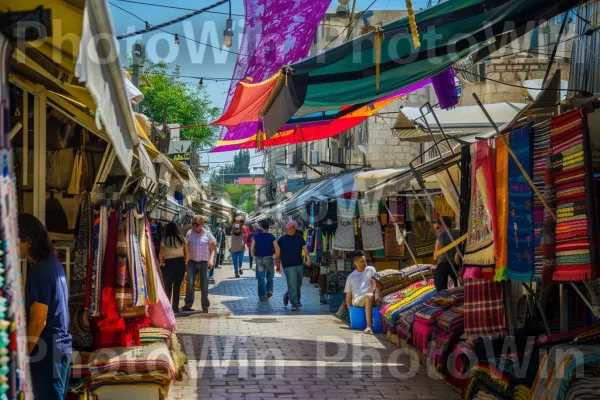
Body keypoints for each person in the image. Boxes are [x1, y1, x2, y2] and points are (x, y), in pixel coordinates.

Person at [19, 213, 72, 399]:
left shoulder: (41, 269)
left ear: (28, 240)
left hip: (47, 352)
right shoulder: (53, 264)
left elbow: (38, 320)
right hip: (58, 349)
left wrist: (22, 357)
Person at [182, 215, 216, 312]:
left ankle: (205, 305)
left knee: (204, 284)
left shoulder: (208, 234)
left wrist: (211, 260)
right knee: (190, 283)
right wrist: (185, 260)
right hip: (191, 262)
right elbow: (186, 246)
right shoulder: (189, 233)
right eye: (193, 224)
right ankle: (188, 304)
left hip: (204, 262)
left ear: (201, 224)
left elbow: (212, 249)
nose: (194, 226)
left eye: (196, 224)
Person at [277, 221, 310, 311]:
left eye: (288, 227)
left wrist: (308, 258)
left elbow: (305, 249)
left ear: (293, 228)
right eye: (286, 228)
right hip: (288, 265)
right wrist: (278, 265)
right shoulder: (281, 239)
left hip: (299, 264)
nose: (287, 229)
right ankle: (294, 303)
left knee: (298, 284)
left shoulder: (299, 238)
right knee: (292, 284)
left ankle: (289, 296)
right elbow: (278, 253)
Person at [344, 251, 377, 334]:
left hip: (371, 296)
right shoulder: (351, 276)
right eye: (362, 261)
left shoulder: (371, 269)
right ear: (355, 263)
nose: (364, 263)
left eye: (365, 260)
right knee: (369, 296)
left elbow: (376, 284)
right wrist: (351, 312)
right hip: (357, 300)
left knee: (371, 296)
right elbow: (348, 297)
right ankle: (369, 326)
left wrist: (371, 292)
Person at [159, 222, 188, 313]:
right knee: (177, 287)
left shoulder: (164, 240)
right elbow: (187, 253)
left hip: (168, 264)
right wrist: (185, 262)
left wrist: (162, 262)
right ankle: (175, 308)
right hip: (180, 263)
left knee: (167, 287)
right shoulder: (182, 239)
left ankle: (167, 308)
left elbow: (161, 254)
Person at [251, 220, 280, 301]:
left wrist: (253, 255)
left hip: (259, 259)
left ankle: (262, 296)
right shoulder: (272, 237)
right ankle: (269, 290)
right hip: (269, 258)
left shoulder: (256, 236)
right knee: (270, 276)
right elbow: (277, 247)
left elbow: (252, 247)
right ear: (268, 228)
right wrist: (275, 256)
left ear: (261, 227)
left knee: (261, 277)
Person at [433, 216, 461, 291]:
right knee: (457, 289)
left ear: (442, 226)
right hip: (456, 265)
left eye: (437, 228)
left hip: (443, 265)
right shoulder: (459, 233)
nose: (436, 231)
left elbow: (436, 253)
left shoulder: (441, 235)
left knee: (441, 290)